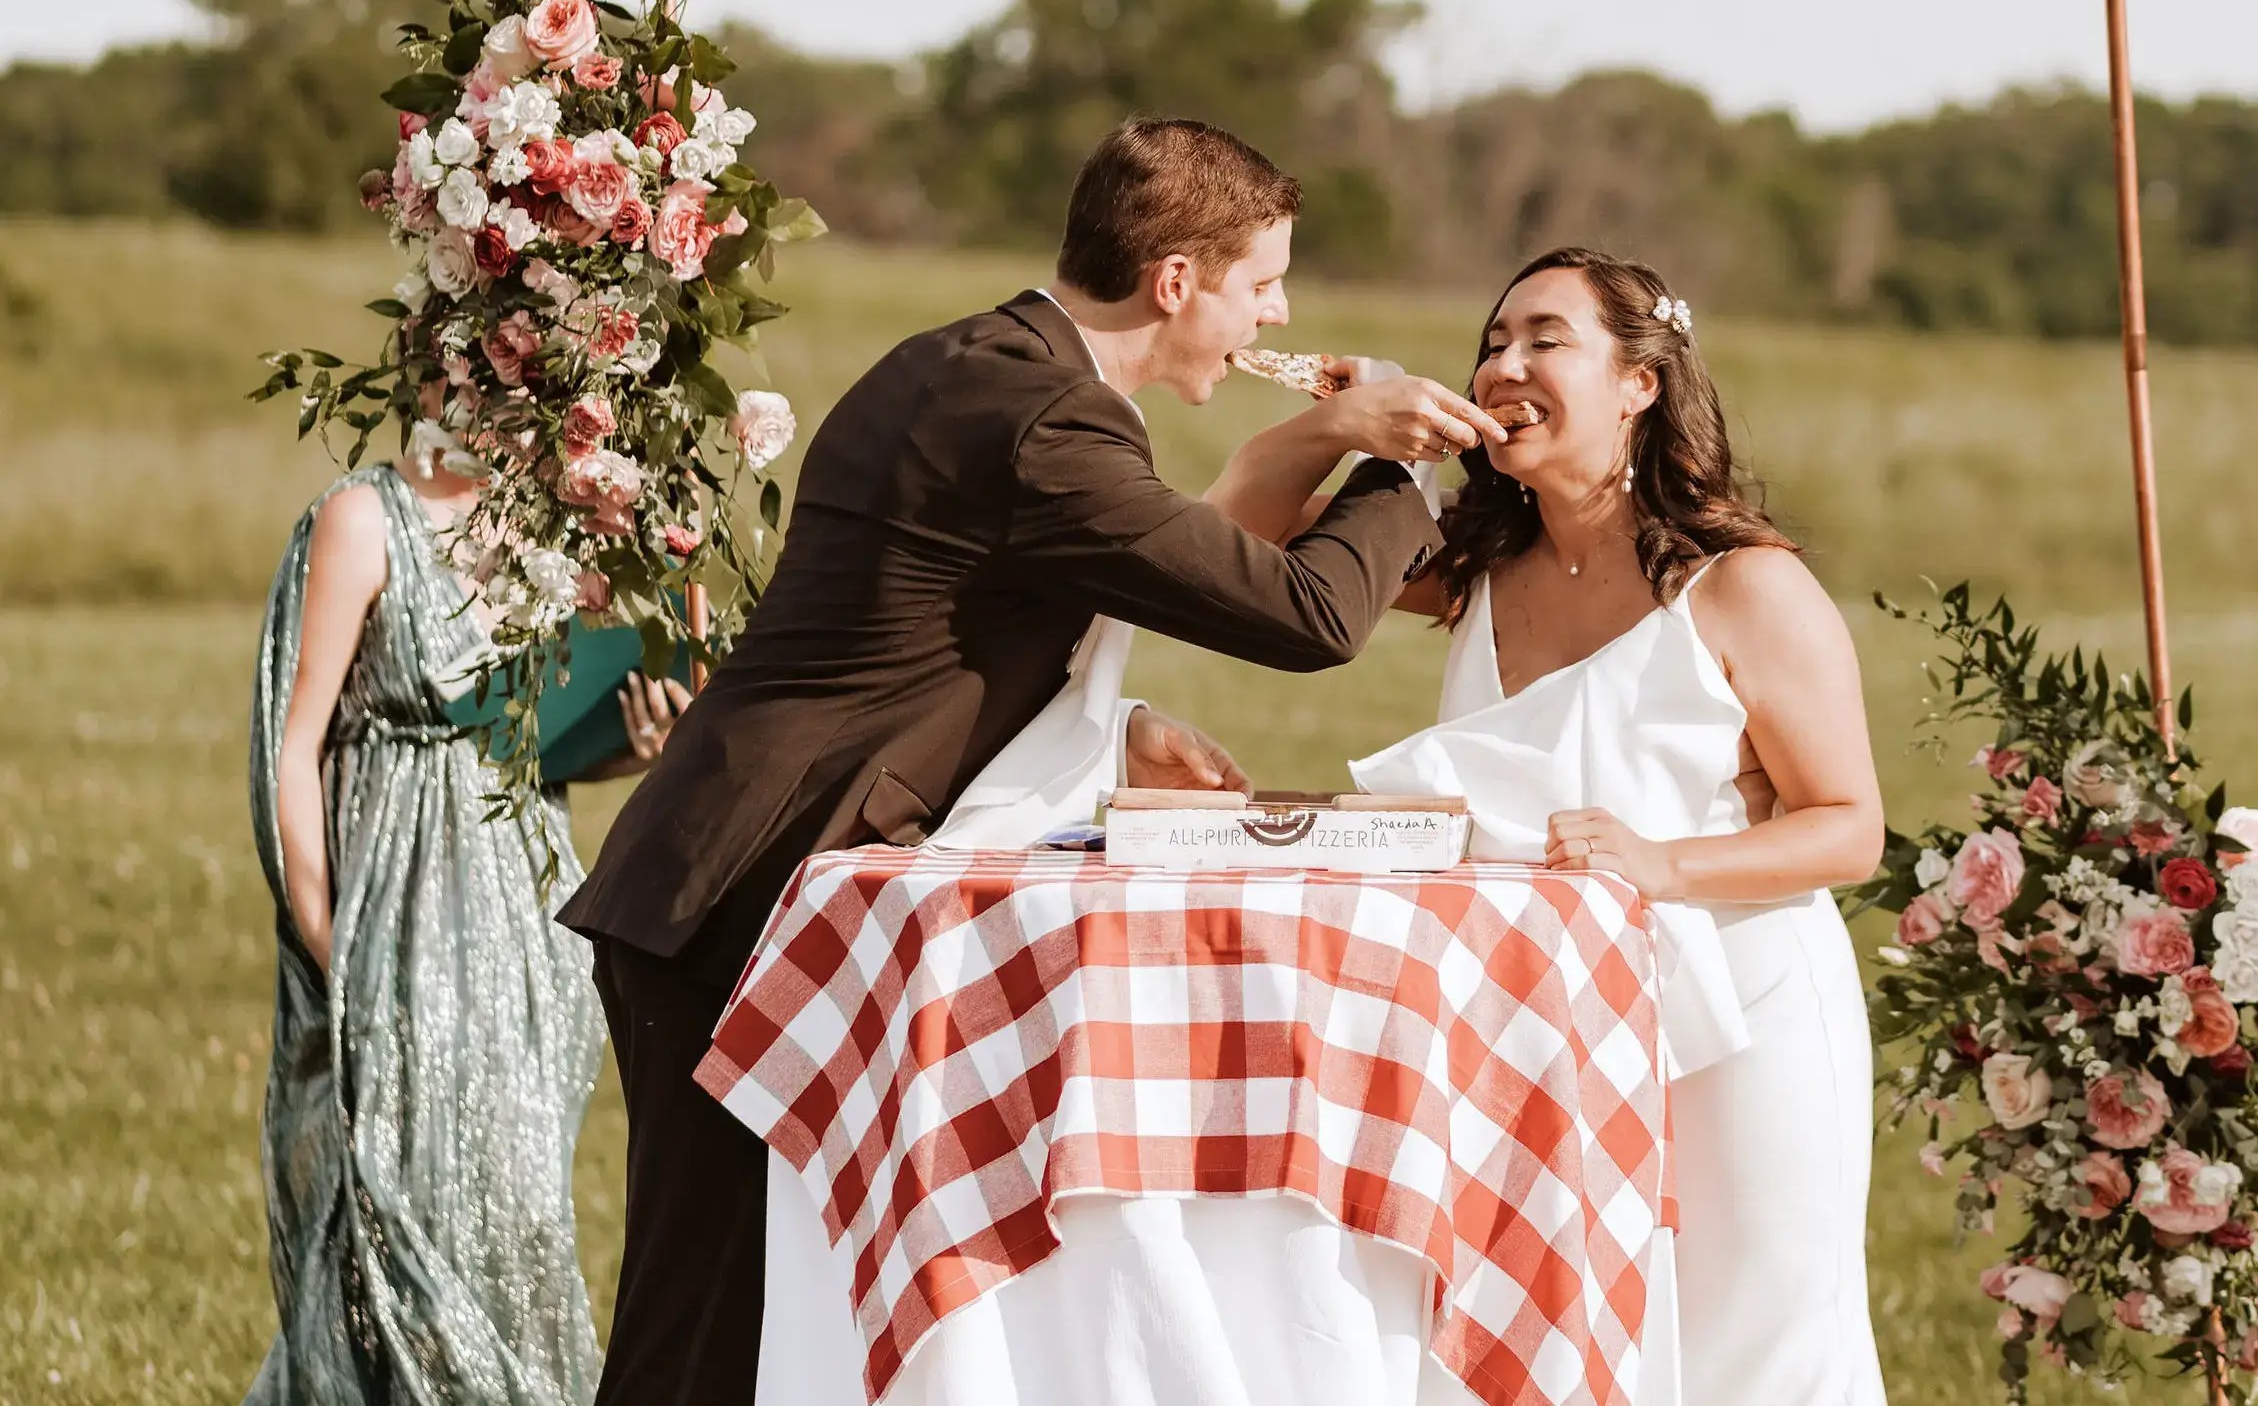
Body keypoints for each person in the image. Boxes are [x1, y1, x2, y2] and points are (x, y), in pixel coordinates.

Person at [557, 116, 1503, 1406]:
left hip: (745, 880)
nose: (1276, 311)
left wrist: (1121, 727)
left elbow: (997, 613)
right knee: (711, 1326)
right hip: (742, 889)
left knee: (771, 1317)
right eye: (1261, 281)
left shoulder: (986, 364)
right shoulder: (1047, 422)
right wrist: (1395, 456)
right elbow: (1307, 617)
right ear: (1177, 281)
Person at [1211, 244, 1887, 1405]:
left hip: (1748, 1021)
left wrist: (1659, 862)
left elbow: (1848, 827)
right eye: (1493, 339)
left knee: (1754, 1353)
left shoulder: (1745, 586)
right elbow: (1244, 548)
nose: (1503, 363)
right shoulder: (1468, 569)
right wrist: (1340, 426)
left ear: (1641, 381)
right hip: (1549, 1032)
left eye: (1545, 339)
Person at [245, 447, 687, 1405]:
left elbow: (535, 744)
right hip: (394, 917)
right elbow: (295, 745)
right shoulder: (363, 520)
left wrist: (636, 746)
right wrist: (329, 940)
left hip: (523, 929)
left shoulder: (544, 532)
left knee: (518, 1208)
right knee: (402, 1203)